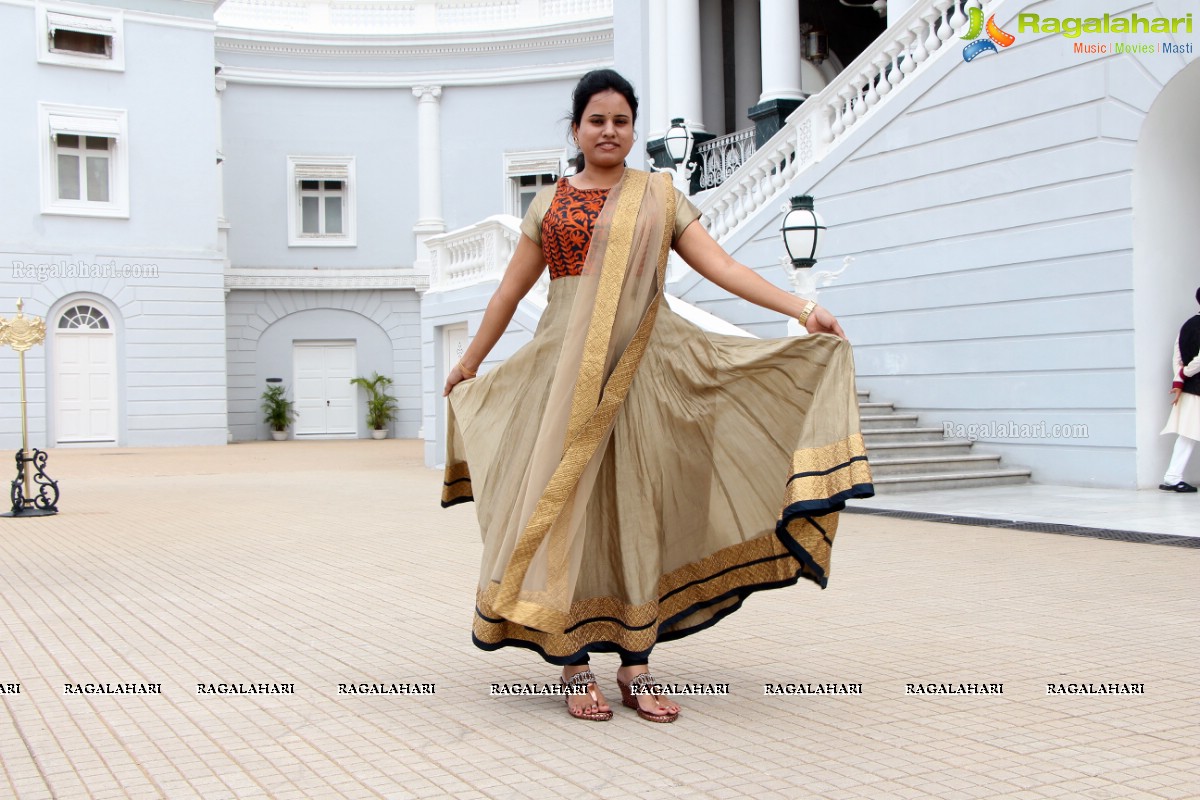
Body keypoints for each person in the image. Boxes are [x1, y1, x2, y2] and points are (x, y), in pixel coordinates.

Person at [441, 69, 873, 723]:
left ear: (633, 129)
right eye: (596, 120)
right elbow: (508, 294)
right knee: (566, 515)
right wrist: (469, 361)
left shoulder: (659, 197)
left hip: (643, 380)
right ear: (577, 128)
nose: (609, 131)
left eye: (620, 120)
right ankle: (573, 665)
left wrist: (803, 307)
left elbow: (720, 265)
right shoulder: (550, 206)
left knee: (637, 511)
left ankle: (637, 668)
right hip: (561, 388)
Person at [1159, 287, 1200, 493]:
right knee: (1189, 434)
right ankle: (1173, 477)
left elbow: (1177, 357)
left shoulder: (1187, 325)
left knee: (1188, 433)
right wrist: (1184, 375)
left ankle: (1172, 476)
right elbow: (1198, 361)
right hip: (1197, 389)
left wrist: (1179, 380)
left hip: (1190, 389)